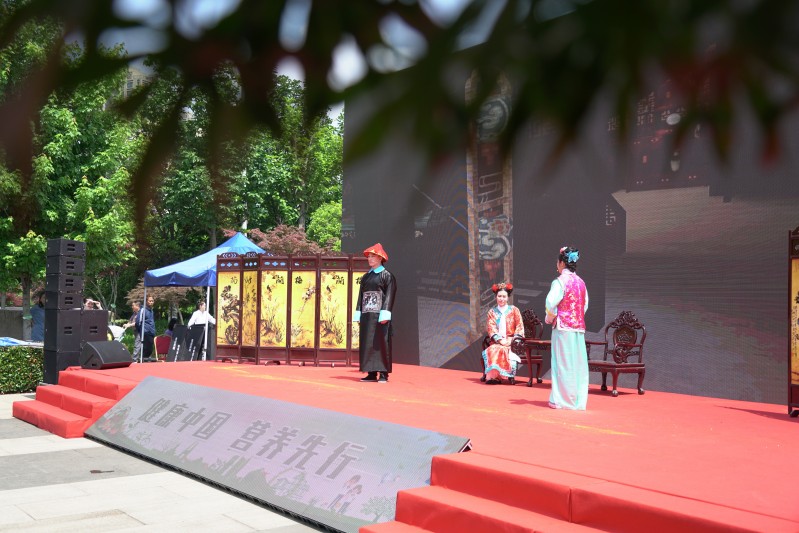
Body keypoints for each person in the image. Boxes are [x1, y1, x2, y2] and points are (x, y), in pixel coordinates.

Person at [545, 246, 589, 410]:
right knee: (577, 364)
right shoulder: (581, 282)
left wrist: (550, 318)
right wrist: (576, 316)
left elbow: (550, 303)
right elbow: (584, 305)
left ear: (562, 263)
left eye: (557, 262)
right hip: (578, 328)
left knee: (563, 364)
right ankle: (577, 401)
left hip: (563, 328)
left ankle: (562, 400)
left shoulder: (559, 282)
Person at [353, 243, 397, 383]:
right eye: (369, 257)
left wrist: (385, 313)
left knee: (381, 343)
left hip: (379, 316)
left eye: (373, 256)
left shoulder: (387, 276)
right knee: (367, 343)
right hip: (367, 315)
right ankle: (371, 373)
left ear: (380, 258)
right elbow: (361, 296)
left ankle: (383, 373)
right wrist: (358, 312)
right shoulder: (366, 277)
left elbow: (389, 296)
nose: (370, 259)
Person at [482, 282, 524, 385]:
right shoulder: (492, 312)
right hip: (498, 342)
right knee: (494, 349)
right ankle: (494, 377)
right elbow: (491, 328)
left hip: (512, 341)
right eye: (499, 296)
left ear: (508, 297)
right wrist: (500, 340)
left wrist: (512, 340)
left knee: (503, 349)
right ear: (496, 297)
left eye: (504, 296)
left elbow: (520, 327)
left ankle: (500, 376)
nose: (501, 299)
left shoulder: (514, 310)